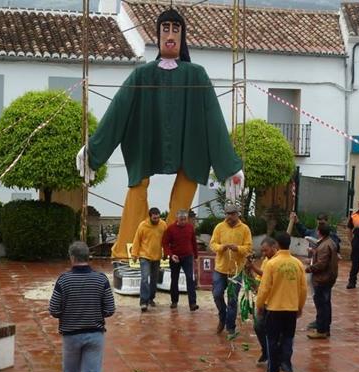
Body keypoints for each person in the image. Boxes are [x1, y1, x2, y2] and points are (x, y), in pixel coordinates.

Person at [76, 8, 244, 259]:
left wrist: (229, 165)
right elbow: (117, 111)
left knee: (187, 182)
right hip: (147, 141)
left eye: (176, 30)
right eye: (165, 29)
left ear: (182, 36)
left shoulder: (196, 74)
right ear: (157, 35)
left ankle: (172, 250)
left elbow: (213, 118)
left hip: (188, 147)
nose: (170, 35)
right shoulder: (142, 74)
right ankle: (127, 251)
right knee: (137, 185)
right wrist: (94, 149)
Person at [49, 241, 115, 372]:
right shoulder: (101, 279)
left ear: (72, 258)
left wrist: (66, 315)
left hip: (71, 334)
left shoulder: (64, 280)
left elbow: (53, 309)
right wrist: (97, 313)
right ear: (88, 257)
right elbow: (110, 309)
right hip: (95, 334)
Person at [256, 232, 307, 372]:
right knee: (288, 339)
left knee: (272, 340)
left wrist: (260, 305)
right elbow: (303, 289)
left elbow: (264, 288)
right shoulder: (297, 263)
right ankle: (286, 366)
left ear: (276, 245)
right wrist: (300, 306)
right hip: (291, 308)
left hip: (274, 308)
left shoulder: (272, 264)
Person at [210, 204, 253, 336]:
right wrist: (221, 247)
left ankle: (230, 326)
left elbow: (248, 247)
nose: (229, 216)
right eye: (227, 214)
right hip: (220, 268)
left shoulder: (245, 229)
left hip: (236, 270)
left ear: (237, 214)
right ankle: (222, 316)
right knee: (217, 294)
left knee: (232, 299)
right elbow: (212, 244)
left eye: (232, 214)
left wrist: (238, 248)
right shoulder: (219, 227)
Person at [245, 236, 278, 367]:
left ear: (274, 248)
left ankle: (275, 359)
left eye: (266, 251)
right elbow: (259, 282)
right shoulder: (266, 260)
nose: (264, 254)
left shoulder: (276, 262)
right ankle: (266, 351)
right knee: (258, 326)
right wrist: (248, 273)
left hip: (275, 302)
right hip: (264, 301)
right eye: (262, 251)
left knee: (273, 331)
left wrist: (252, 267)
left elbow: (266, 275)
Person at [305, 223, 338, 339]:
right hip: (328, 278)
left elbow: (322, 264)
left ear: (319, 232)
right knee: (325, 304)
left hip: (322, 279)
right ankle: (324, 328)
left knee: (321, 305)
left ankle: (321, 330)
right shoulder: (328, 242)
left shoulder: (325, 245)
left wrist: (309, 268)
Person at [131, 207, 167, 312]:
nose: (156, 220)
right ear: (150, 216)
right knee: (145, 278)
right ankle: (143, 302)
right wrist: (134, 254)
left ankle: (151, 298)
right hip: (144, 256)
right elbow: (136, 240)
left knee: (154, 280)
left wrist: (166, 253)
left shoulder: (163, 225)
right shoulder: (142, 225)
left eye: (158, 218)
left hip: (157, 257)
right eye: (154, 218)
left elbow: (166, 240)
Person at [162, 209, 199, 311]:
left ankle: (192, 303)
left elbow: (194, 242)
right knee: (174, 279)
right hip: (175, 257)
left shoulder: (190, 227)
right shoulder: (170, 229)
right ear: (177, 219)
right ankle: (174, 301)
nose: (183, 221)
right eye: (181, 219)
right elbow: (165, 243)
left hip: (188, 256)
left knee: (190, 278)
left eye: (185, 219)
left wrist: (195, 256)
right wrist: (170, 254)